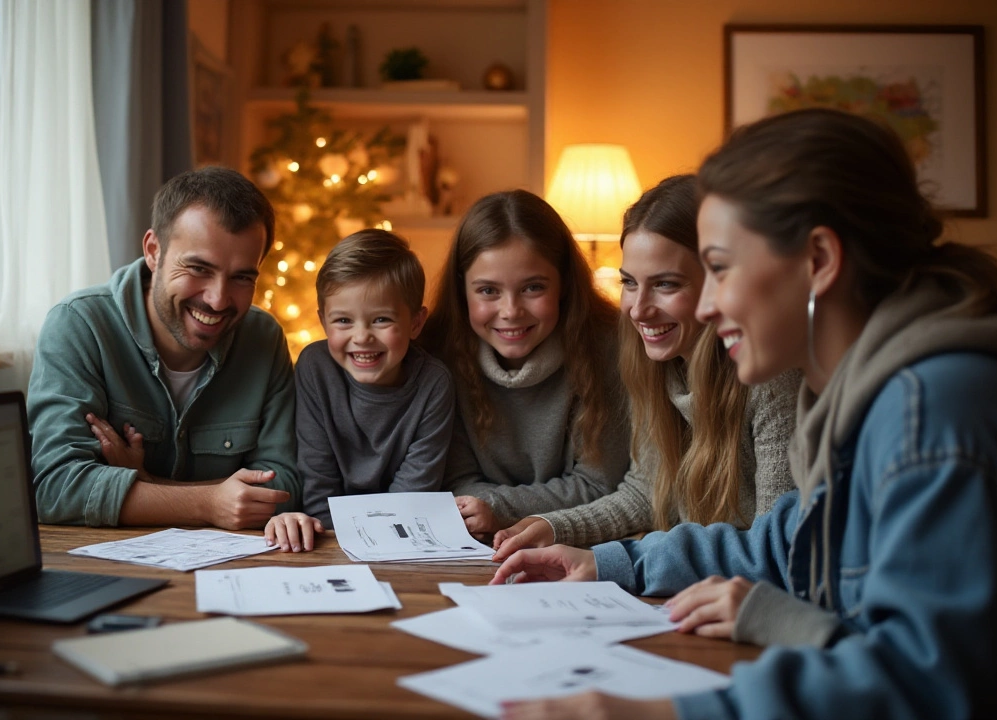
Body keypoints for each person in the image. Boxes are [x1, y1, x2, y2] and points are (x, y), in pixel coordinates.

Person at [494, 109, 997, 719]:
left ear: (818, 259)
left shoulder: (931, 413)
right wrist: (614, 562)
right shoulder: (861, 395)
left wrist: (657, 713)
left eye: (720, 268)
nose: (706, 306)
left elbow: (927, 689)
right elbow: (787, 540)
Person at [491, 175, 797, 562]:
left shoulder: (772, 378)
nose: (638, 309)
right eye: (630, 283)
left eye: (666, 284)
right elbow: (645, 492)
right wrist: (553, 526)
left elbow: (774, 548)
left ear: (719, 281)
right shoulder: (658, 365)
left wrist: (619, 563)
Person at [29, 166, 299, 529]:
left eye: (241, 277)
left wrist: (149, 483)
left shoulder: (263, 338)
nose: (218, 300)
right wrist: (208, 503)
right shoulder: (79, 325)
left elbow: (282, 487)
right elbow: (57, 488)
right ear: (154, 251)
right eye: (199, 269)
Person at [420, 189, 631, 536]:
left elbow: (598, 484)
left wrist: (498, 508)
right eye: (488, 291)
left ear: (563, 283)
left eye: (533, 288)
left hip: (576, 542)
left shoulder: (609, 350)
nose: (511, 311)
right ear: (462, 290)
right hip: (467, 542)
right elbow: (454, 482)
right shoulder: (437, 354)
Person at [263, 229, 455, 552]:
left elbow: (412, 496)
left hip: (402, 541)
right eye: (343, 321)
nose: (362, 336)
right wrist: (332, 544)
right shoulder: (314, 369)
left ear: (416, 323)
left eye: (381, 319)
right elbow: (317, 482)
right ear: (323, 321)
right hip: (328, 539)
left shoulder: (434, 384)